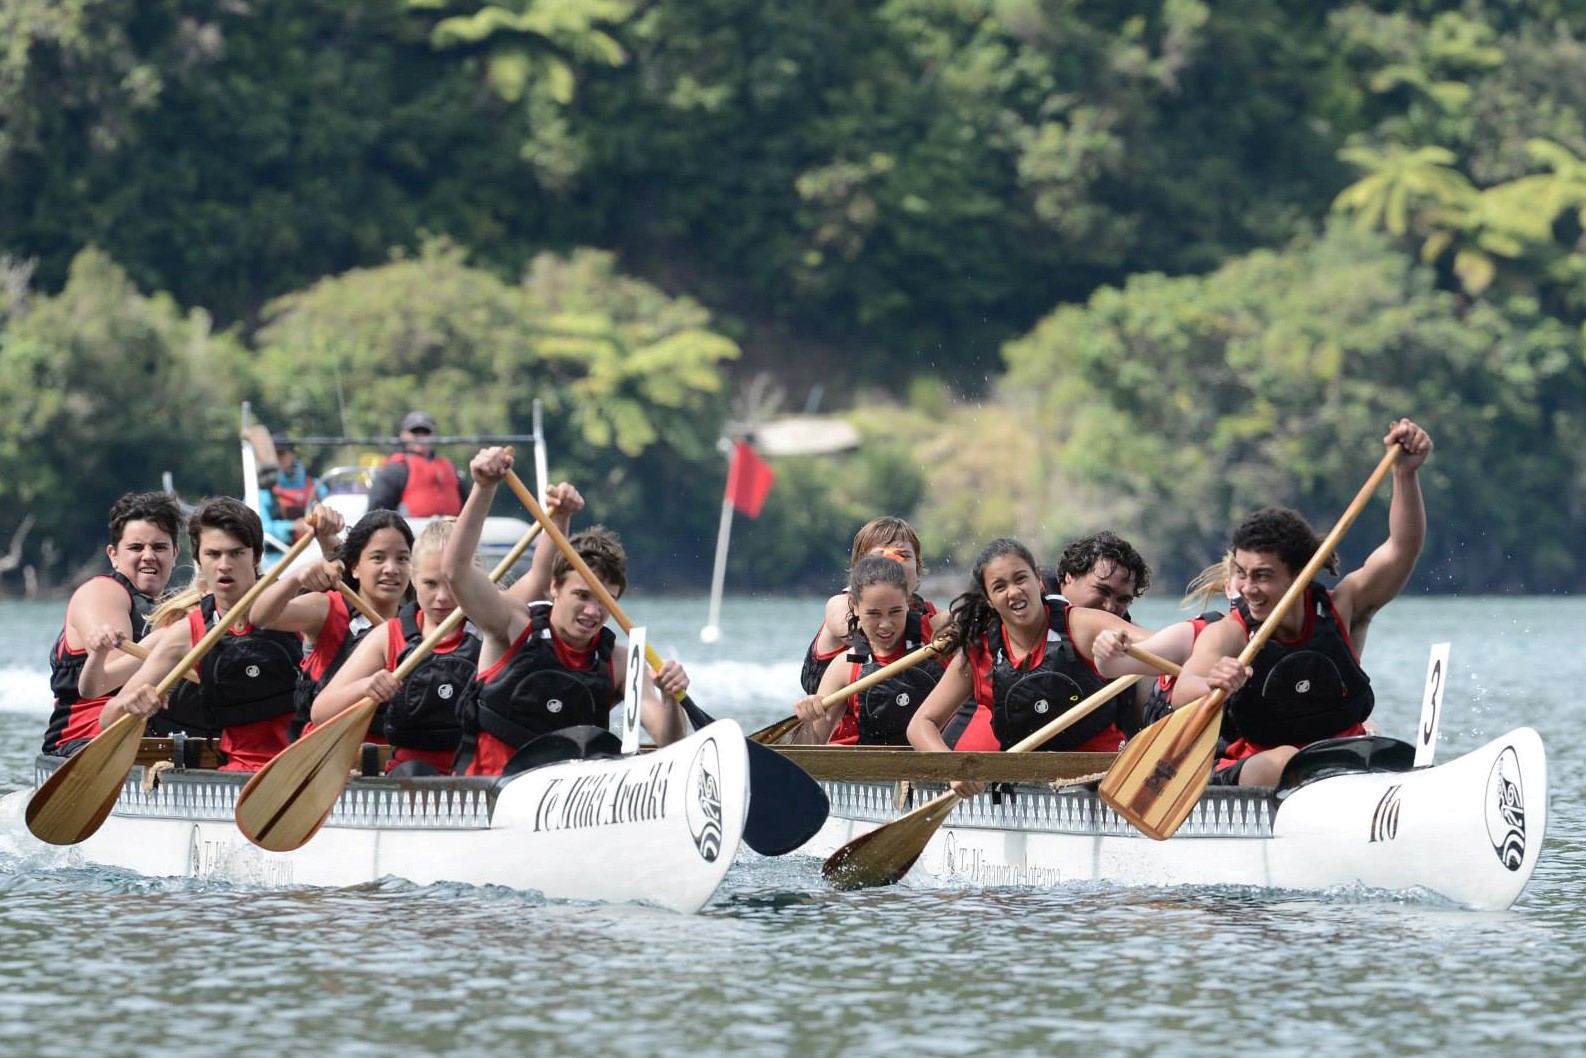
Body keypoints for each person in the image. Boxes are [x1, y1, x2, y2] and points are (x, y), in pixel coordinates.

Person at [1169, 418, 1433, 788]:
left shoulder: (1344, 607)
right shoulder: (1230, 635)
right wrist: (1214, 683)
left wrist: (1405, 476)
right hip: (1262, 767)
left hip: (1343, 760)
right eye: (1241, 573)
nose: (1247, 588)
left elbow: (1402, 548)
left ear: (1300, 575)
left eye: (1262, 575)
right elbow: (1183, 691)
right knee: (1286, 760)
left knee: (1377, 745)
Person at [443, 446, 686, 776]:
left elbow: (669, 741)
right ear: (554, 589)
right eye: (582, 595)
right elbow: (456, 571)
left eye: (605, 600)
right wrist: (484, 488)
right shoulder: (512, 625)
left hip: (566, 809)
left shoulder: (620, 660)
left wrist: (671, 698)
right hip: (487, 798)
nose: (592, 611)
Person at [102, 498, 340, 772]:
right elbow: (109, 718)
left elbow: (350, 580)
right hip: (239, 772)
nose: (224, 565)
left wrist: (327, 537)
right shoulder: (188, 633)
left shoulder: (296, 606)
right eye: (213, 555)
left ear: (257, 556)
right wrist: (131, 704)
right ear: (198, 560)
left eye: (236, 553)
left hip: (312, 765)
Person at [906, 537, 1160, 792]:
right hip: (1023, 787)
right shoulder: (979, 648)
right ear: (988, 599)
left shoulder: (1083, 624)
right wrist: (953, 767)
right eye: (1000, 586)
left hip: (1098, 784)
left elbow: (1166, 646)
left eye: (1020, 579)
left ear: (1037, 580)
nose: (1014, 591)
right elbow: (921, 724)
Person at [942, 529, 1158, 748]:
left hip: (1086, 759)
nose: (1110, 607)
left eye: (1123, 599)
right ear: (1068, 577)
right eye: (1101, 590)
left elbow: (1166, 646)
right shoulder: (1005, 619)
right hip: (992, 741)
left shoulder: (1120, 629)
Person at [309, 518, 476, 774]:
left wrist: (561, 519)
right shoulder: (389, 636)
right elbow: (320, 712)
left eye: (452, 583)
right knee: (417, 774)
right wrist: (366, 686)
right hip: (410, 778)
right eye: (431, 584)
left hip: (478, 776)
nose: (442, 597)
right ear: (413, 578)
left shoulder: (493, 629)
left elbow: (540, 578)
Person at [42, 491, 185, 755]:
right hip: (87, 742)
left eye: (160, 547)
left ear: (175, 553)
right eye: (136, 547)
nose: (149, 556)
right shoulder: (103, 593)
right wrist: (171, 642)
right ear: (113, 555)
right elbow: (106, 680)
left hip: (155, 739)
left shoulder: (172, 608)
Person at [275, 509, 413, 741]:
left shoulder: (418, 621)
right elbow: (260, 616)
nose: (392, 569)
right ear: (355, 567)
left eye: (402, 559)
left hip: (395, 759)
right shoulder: (326, 608)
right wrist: (297, 576)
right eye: (378, 558)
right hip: (329, 754)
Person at [791, 555, 947, 745]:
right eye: (874, 614)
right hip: (876, 771)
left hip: (941, 764)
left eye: (895, 611)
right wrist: (809, 713)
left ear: (907, 601)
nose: (885, 625)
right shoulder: (844, 667)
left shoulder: (937, 633)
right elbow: (807, 750)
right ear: (855, 608)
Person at [800, 517, 941, 708]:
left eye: (903, 555)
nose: (893, 563)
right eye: (880, 555)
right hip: (840, 732)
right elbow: (861, 631)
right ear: (861, 567)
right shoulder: (841, 606)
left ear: (917, 567)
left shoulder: (930, 614)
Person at [365, 411, 468, 517]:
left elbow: (467, 504)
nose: (420, 436)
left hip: (451, 529)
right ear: (403, 435)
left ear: (434, 436)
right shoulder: (396, 470)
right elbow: (376, 512)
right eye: (415, 432)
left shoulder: (449, 468)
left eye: (426, 432)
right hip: (413, 530)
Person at [258, 435, 327, 545]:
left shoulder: (318, 487)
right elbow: (257, 530)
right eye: (272, 455)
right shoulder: (262, 493)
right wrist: (293, 527)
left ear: (293, 454)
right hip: (278, 556)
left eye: (280, 453)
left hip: (316, 550)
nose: (276, 459)